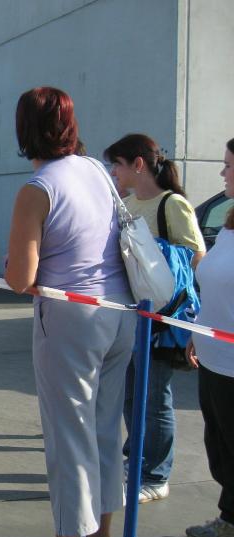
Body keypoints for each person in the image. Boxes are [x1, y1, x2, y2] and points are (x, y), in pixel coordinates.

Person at [6, 87, 136, 537]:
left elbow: (21, 278)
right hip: (120, 310)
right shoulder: (97, 171)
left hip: (70, 318)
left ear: (25, 130)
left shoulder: (37, 189)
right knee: (105, 427)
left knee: (68, 433)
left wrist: (15, 262)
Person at [104, 133, 206, 504]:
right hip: (134, 318)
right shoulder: (128, 204)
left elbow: (196, 258)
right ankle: (136, 460)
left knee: (155, 398)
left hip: (163, 322)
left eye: (117, 164)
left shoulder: (172, 204)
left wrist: (196, 320)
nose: (113, 172)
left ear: (138, 164)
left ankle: (156, 475)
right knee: (132, 396)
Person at [185, 137, 234, 537]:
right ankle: (230, 522)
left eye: (229, 166)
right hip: (215, 359)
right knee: (221, 451)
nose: (222, 174)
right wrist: (198, 332)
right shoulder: (231, 222)